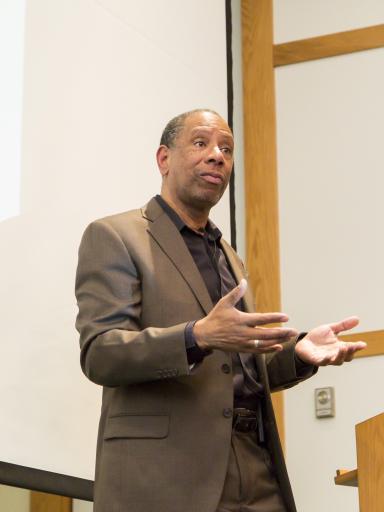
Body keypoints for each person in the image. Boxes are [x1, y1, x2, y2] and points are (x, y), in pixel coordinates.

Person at [75, 109, 366, 512]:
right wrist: (196, 336)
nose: (217, 156)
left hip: (256, 464)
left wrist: (297, 354)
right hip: (169, 477)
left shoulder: (228, 254)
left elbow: (237, 370)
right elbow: (100, 353)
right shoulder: (116, 236)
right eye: (201, 143)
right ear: (164, 159)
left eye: (227, 149)